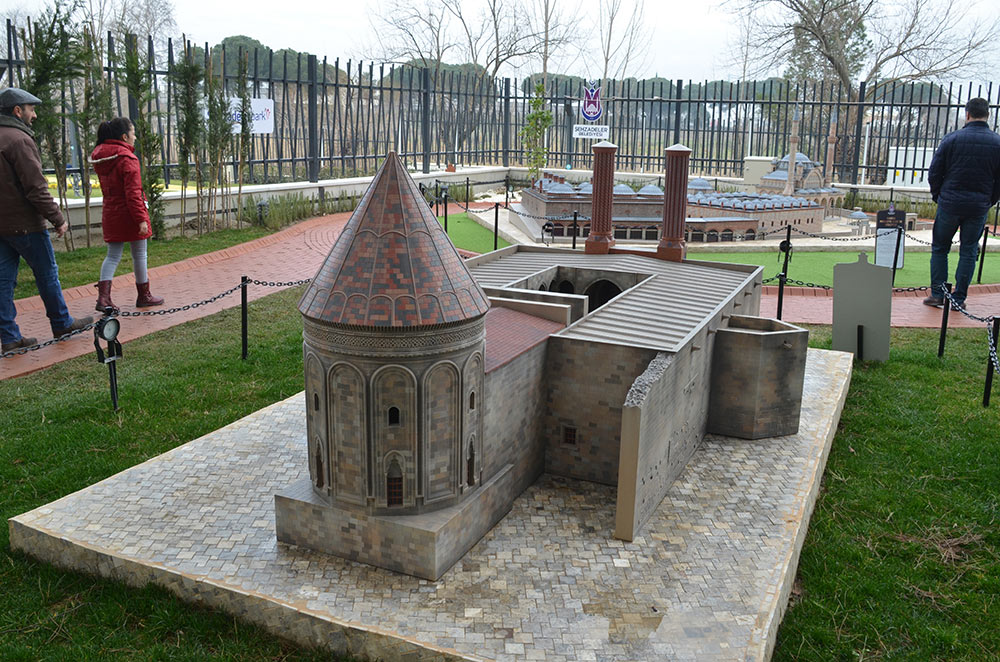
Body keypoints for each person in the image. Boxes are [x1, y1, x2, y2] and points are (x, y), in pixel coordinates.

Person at [0, 87, 92, 353]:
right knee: (47, 274)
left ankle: (9, 338)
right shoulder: (19, 140)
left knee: (3, 282)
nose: (35, 115)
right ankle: (62, 322)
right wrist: (57, 218)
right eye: (31, 109)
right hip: (26, 225)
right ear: (17, 111)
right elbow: (35, 187)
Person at [924, 97, 1000, 309]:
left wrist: (938, 195)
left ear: (967, 114)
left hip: (950, 203)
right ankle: (959, 299)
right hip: (978, 205)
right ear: (988, 115)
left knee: (940, 249)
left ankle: (938, 294)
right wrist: (989, 200)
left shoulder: (952, 139)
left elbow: (935, 172)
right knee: (968, 251)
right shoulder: (997, 143)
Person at [90, 117, 164, 311]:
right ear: (124, 136)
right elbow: (133, 193)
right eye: (132, 133)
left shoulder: (100, 157)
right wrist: (141, 219)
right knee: (140, 254)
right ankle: (144, 295)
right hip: (130, 213)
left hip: (111, 211)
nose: (135, 137)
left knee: (112, 255)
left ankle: (103, 298)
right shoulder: (128, 159)